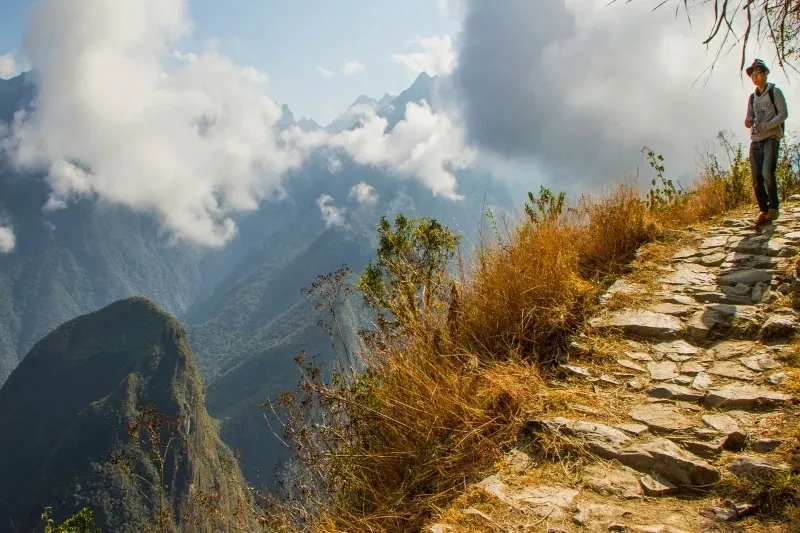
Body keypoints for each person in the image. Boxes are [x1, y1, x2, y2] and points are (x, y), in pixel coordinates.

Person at [745, 58, 788, 225]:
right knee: (756, 178)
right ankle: (763, 209)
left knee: (767, 174)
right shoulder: (752, 97)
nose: (755, 77)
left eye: (758, 74)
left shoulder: (774, 92)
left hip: (771, 137)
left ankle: (773, 208)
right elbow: (749, 117)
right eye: (752, 75)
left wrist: (768, 126)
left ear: (765, 74)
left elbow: (783, 113)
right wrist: (748, 121)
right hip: (756, 140)